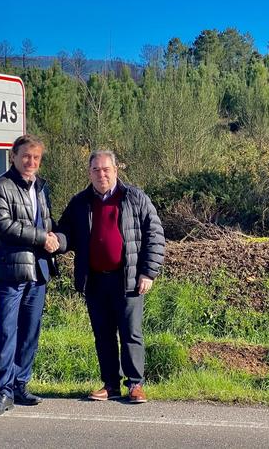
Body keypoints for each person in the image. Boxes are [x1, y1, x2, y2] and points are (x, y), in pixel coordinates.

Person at [55, 150, 165, 403]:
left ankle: (135, 384)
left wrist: (148, 272)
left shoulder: (135, 198)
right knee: (103, 335)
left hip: (127, 279)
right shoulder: (80, 202)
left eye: (106, 169)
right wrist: (54, 241)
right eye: (96, 170)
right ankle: (110, 385)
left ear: (116, 170)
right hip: (95, 280)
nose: (101, 174)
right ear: (89, 172)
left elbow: (155, 236)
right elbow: (66, 233)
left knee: (131, 334)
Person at [0, 134, 64, 416]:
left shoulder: (42, 188)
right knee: (7, 331)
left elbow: (47, 221)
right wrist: (43, 238)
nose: (31, 162)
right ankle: (3, 392)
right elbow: (3, 226)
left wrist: (56, 238)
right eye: (26, 156)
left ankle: (20, 384)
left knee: (30, 331)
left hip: (38, 270)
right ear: (14, 155)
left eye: (36, 158)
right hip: (9, 270)